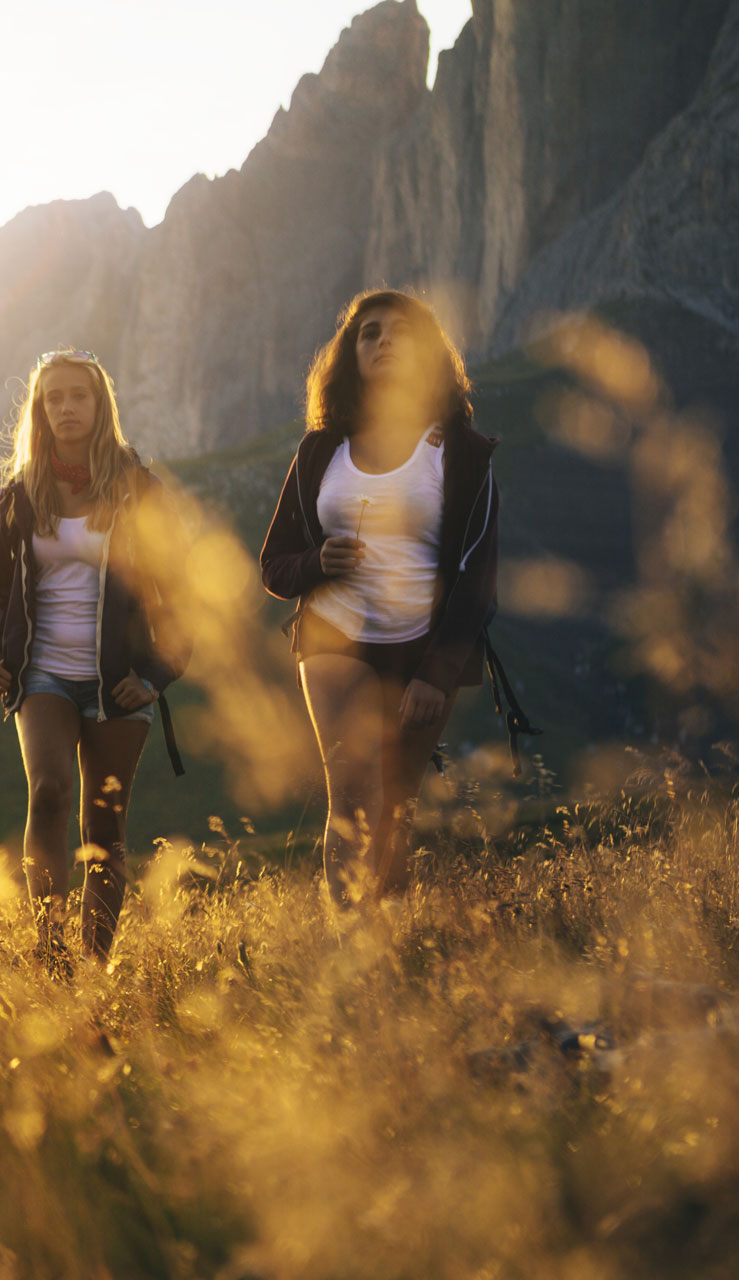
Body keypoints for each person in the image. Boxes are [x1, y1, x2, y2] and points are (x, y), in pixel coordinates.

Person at [259, 288, 499, 909]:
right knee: (353, 796)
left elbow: (478, 578)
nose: (384, 340)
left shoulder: (465, 454)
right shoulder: (320, 451)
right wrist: (318, 562)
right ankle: (349, 956)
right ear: (350, 355)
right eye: (369, 332)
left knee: (396, 805)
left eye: (400, 331)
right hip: (333, 635)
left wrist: (437, 672)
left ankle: (385, 958)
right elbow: (274, 565)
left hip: (423, 646)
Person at [0, 349, 190, 971]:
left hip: (119, 681)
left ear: (101, 407)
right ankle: (48, 959)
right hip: (41, 672)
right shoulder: (19, 496)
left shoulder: (138, 489)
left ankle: (92, 973)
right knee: (47, 792)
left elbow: (181, 589)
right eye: (54, 398)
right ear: (40, 412)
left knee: (104, 830)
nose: (66, 407)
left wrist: (155, 674)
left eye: (79, 396)